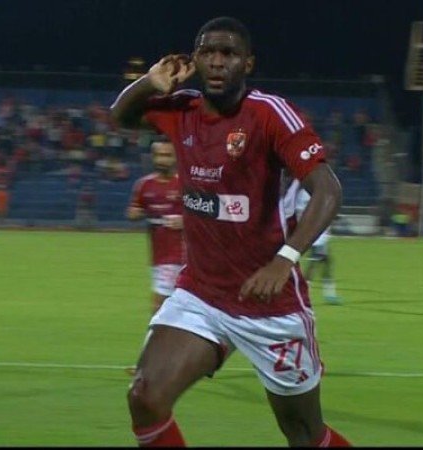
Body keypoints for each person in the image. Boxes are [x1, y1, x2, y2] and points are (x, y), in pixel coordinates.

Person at [110, 16, 351, 447]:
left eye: (229, 54)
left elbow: (328, 190)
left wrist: (285, 259)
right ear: (195, 59)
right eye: (207, 52)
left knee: (303, 433)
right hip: (201, 295)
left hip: (269, 305)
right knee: (145, 397)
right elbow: (120, 117)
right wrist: (149, 83)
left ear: (248, 63)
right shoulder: (181, 109)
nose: (217, 62)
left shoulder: (269, 114)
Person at [127, 140, 185, 313]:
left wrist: (185, 221)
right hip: (159, 255)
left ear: (176, 158)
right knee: (172, 305)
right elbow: (133, 211)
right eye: (159, 155)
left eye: (167, 155)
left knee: (160, 304)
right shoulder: (144, 185)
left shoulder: (185, 184)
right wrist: (135, 213)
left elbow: (203, 215)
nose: (162, 160)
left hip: (181, 254)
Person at [295, 185, 341, 304]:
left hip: (319, 232)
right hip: (314, 232)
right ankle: (305, 293)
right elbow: (303, 212)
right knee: (315, 263)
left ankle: (329, 294)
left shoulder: (310, 192)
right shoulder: (305, 194)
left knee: (325, 261)